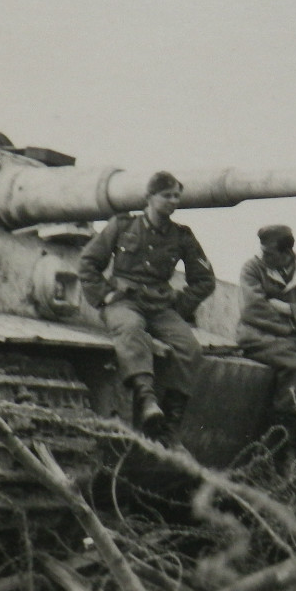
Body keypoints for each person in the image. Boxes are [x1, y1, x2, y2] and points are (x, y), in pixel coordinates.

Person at [77, 171, 216, 437]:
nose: (173, 201)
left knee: (189, 347)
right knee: (130, 330)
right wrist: (104, 295)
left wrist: (180, 305)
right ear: (149, 197)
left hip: (160, 307)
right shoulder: (122, 226)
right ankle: (147, 400)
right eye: (167, 195)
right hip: (124, 302)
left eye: (176, 196)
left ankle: (171, 423)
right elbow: (88, 262)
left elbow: (204, 280)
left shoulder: (182, 236)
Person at [236, 224, 296, 440]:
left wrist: (288, 308)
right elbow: (253, 309)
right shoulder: (252, 268)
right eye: (262, 251)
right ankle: (282, 438)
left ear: (287, 252)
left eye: (269, 253)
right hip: (258, 336)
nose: (263, 257)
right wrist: (293, 324)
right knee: (295, 368)